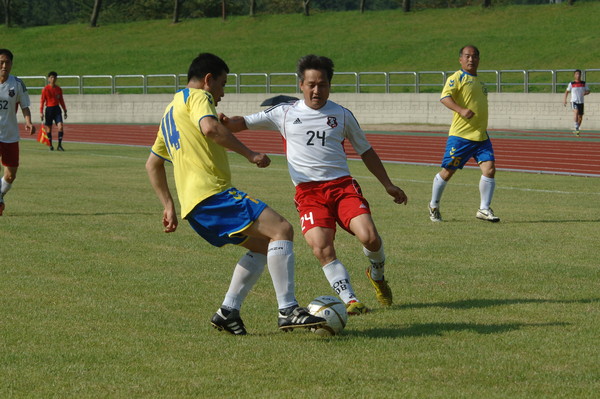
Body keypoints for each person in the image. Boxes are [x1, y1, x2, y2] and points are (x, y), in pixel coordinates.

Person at [145, 53, 325, 335]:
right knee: (282, 229)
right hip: (213, 195)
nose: (222, 93)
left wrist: (168, 205)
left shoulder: (170, 111)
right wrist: (250, 154)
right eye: (222, 84)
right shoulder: (198, 98)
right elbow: (210, 127)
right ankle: (288, 309)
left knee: (263, 246)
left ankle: (228, 311)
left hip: (194, 207)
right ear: (208, 80)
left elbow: (153, 164)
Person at [221, 55, 408, 315]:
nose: (316, 90)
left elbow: (365, 150)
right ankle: (351, 300)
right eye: (311, 84)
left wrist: (387, 184)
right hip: (309, 193)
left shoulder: (342, 115)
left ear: (329, 86)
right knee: (321, 246)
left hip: (342, 187)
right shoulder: (284, 112)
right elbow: (244, 123)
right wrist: (226, 123)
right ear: (301, 85)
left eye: (322, 84)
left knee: (370, 238)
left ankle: (377, 274)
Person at [428, 45, 499, 223]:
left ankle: (483, 209)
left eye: (474, 56)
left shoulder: (481, 83)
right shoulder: (456, 78)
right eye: (467, 56)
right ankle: (433, 205)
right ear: (460, 59)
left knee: (489, 170)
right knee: (448, 171)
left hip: (481, 136)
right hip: (461, 137)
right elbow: (444, 97)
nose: (471, 59)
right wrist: (461, 110)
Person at [0, 49, 35, 216]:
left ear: (12, 64)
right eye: (1, 62)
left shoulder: (17, 84)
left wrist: (28, 121)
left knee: (11, 175)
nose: (4, 65)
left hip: (10, 135)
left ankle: (0, 194)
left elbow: (24, 105)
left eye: (7, 62)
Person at [40, 71, 68, 151]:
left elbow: (61, 100)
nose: (53, 79)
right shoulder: (45, 89)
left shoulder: (59, 89)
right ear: (49, 79)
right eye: (51, 77)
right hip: (49, 109)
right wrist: (41, 112)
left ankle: (59, 145)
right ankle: (50, 145)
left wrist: (65, 110)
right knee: (49, 129)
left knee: (60, 127)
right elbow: (42, 101)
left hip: (57, 109)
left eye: (55, 77)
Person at [563, 69, 590, 136]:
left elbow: (588, 91)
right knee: (576, 112)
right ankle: (576, 126)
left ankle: (577, 129)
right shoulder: (571, 84)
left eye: (579, 74)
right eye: (576, 74)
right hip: (574, 101)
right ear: (574, 75)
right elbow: (567, 92)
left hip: (581, 102)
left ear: (581, 75)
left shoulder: (583, 83)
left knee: (580, 117)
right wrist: (565, 100)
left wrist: (586, 93)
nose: (578, 75)